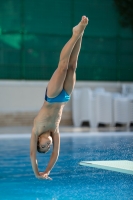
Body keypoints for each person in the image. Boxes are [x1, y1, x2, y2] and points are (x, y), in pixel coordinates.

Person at [30, 16, 88, 180]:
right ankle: (80, 33)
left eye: (43, 145)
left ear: (38, 140)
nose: (48, 144)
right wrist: (47, 171)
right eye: (48, 146)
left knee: (62, 67)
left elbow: (32, 155)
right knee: (73, 65)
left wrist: (37, 173)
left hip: (52, 96)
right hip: (64, 97)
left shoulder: (36, 130)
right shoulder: (55, 132)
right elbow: (56, 153)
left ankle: (75, 34)